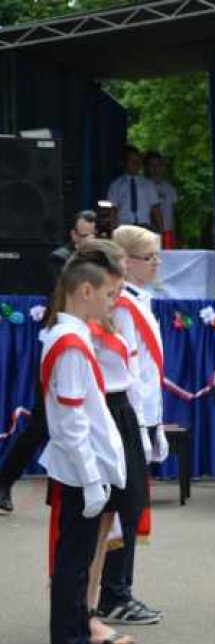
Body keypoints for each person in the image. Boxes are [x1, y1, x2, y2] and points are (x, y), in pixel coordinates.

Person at [39, 251, 131, 644]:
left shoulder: (71, 336)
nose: (114, 302)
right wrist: (93, 478)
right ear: (86, 291)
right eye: (110, 294)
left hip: (82, 470)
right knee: (73, 568)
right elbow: (72, 422)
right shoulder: (70, 344)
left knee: (77, 565)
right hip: (79, 472)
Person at [0, 210, 100, 515]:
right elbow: (67, 289)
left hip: (89, 344)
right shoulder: (60, 259)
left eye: (92, 235)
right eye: (82, 235)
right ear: (73, 235)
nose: (87, 241)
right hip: (59, 344)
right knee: (42, 423)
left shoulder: (99, 262)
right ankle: (4, 481)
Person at [95, 225, 168, 627]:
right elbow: (128, 368)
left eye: (157, 256)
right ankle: (113, 593)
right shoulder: (123, 304)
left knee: (131, 503)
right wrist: (141, 425)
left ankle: (118, 589)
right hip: (129, 414)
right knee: (124, 506)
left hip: (143, 413)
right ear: (125, 260)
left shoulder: (140, 299)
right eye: (149, 257)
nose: (156, 262)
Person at [107, 146, 162, 232]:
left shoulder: (148, 184)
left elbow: (156, 210)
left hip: (144, 226)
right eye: (131, 160)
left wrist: (161, 231)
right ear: (124, 162)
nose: (135, 163)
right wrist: (112, 231)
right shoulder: (116, 185)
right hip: (124, 226)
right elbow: (112, 211)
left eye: (137, 160)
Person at [49, 210, 98, 284]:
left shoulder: (102, 255)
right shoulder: (59, 258)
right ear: (73, 235)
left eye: (94, 235)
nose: (91, 240)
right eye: (85, 236)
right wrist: (82, 253)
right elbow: (65, 287)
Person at [144, 151, 179, 249]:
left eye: (158, 165)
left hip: (168, 232)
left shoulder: (170, 189)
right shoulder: (142, 187)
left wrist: (176, 236)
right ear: (147, 167)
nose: (156, 168)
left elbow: (174, 214)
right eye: (152, 165)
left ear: (163, 166)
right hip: (148, 232)